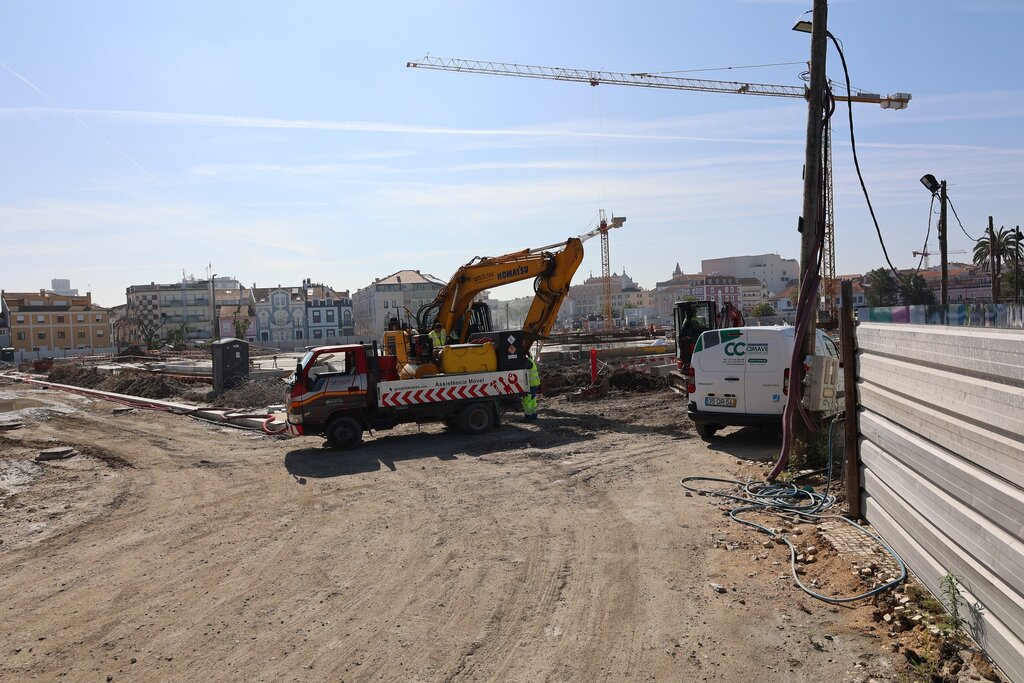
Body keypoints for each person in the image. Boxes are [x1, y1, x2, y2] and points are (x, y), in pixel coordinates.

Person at [522, 354, 541, 421]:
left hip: (531, 385)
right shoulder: (530, 361)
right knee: (532, 400)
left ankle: (528, 416)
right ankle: (534, 414)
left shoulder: (527, 362)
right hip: (534, 384)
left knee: (527, 400)